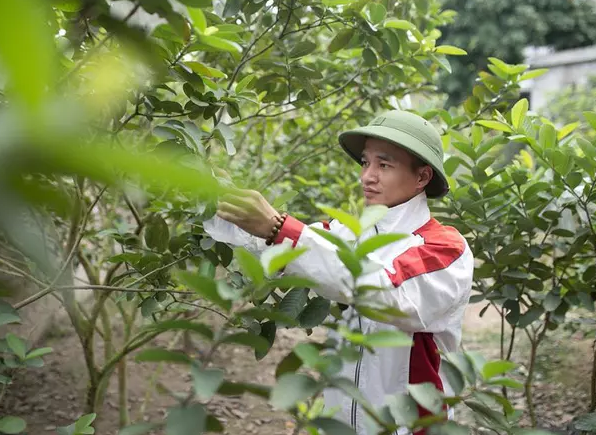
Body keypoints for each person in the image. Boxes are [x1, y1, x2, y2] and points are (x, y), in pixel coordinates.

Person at [203, 110, 474, 435]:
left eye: (383, 165)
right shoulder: (348, 233)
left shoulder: (445, 247)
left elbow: (385, 294)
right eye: (365, 163)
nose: (367, 176)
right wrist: (214, 201)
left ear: (422, 177)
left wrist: (279, 228)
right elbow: (273, 246)